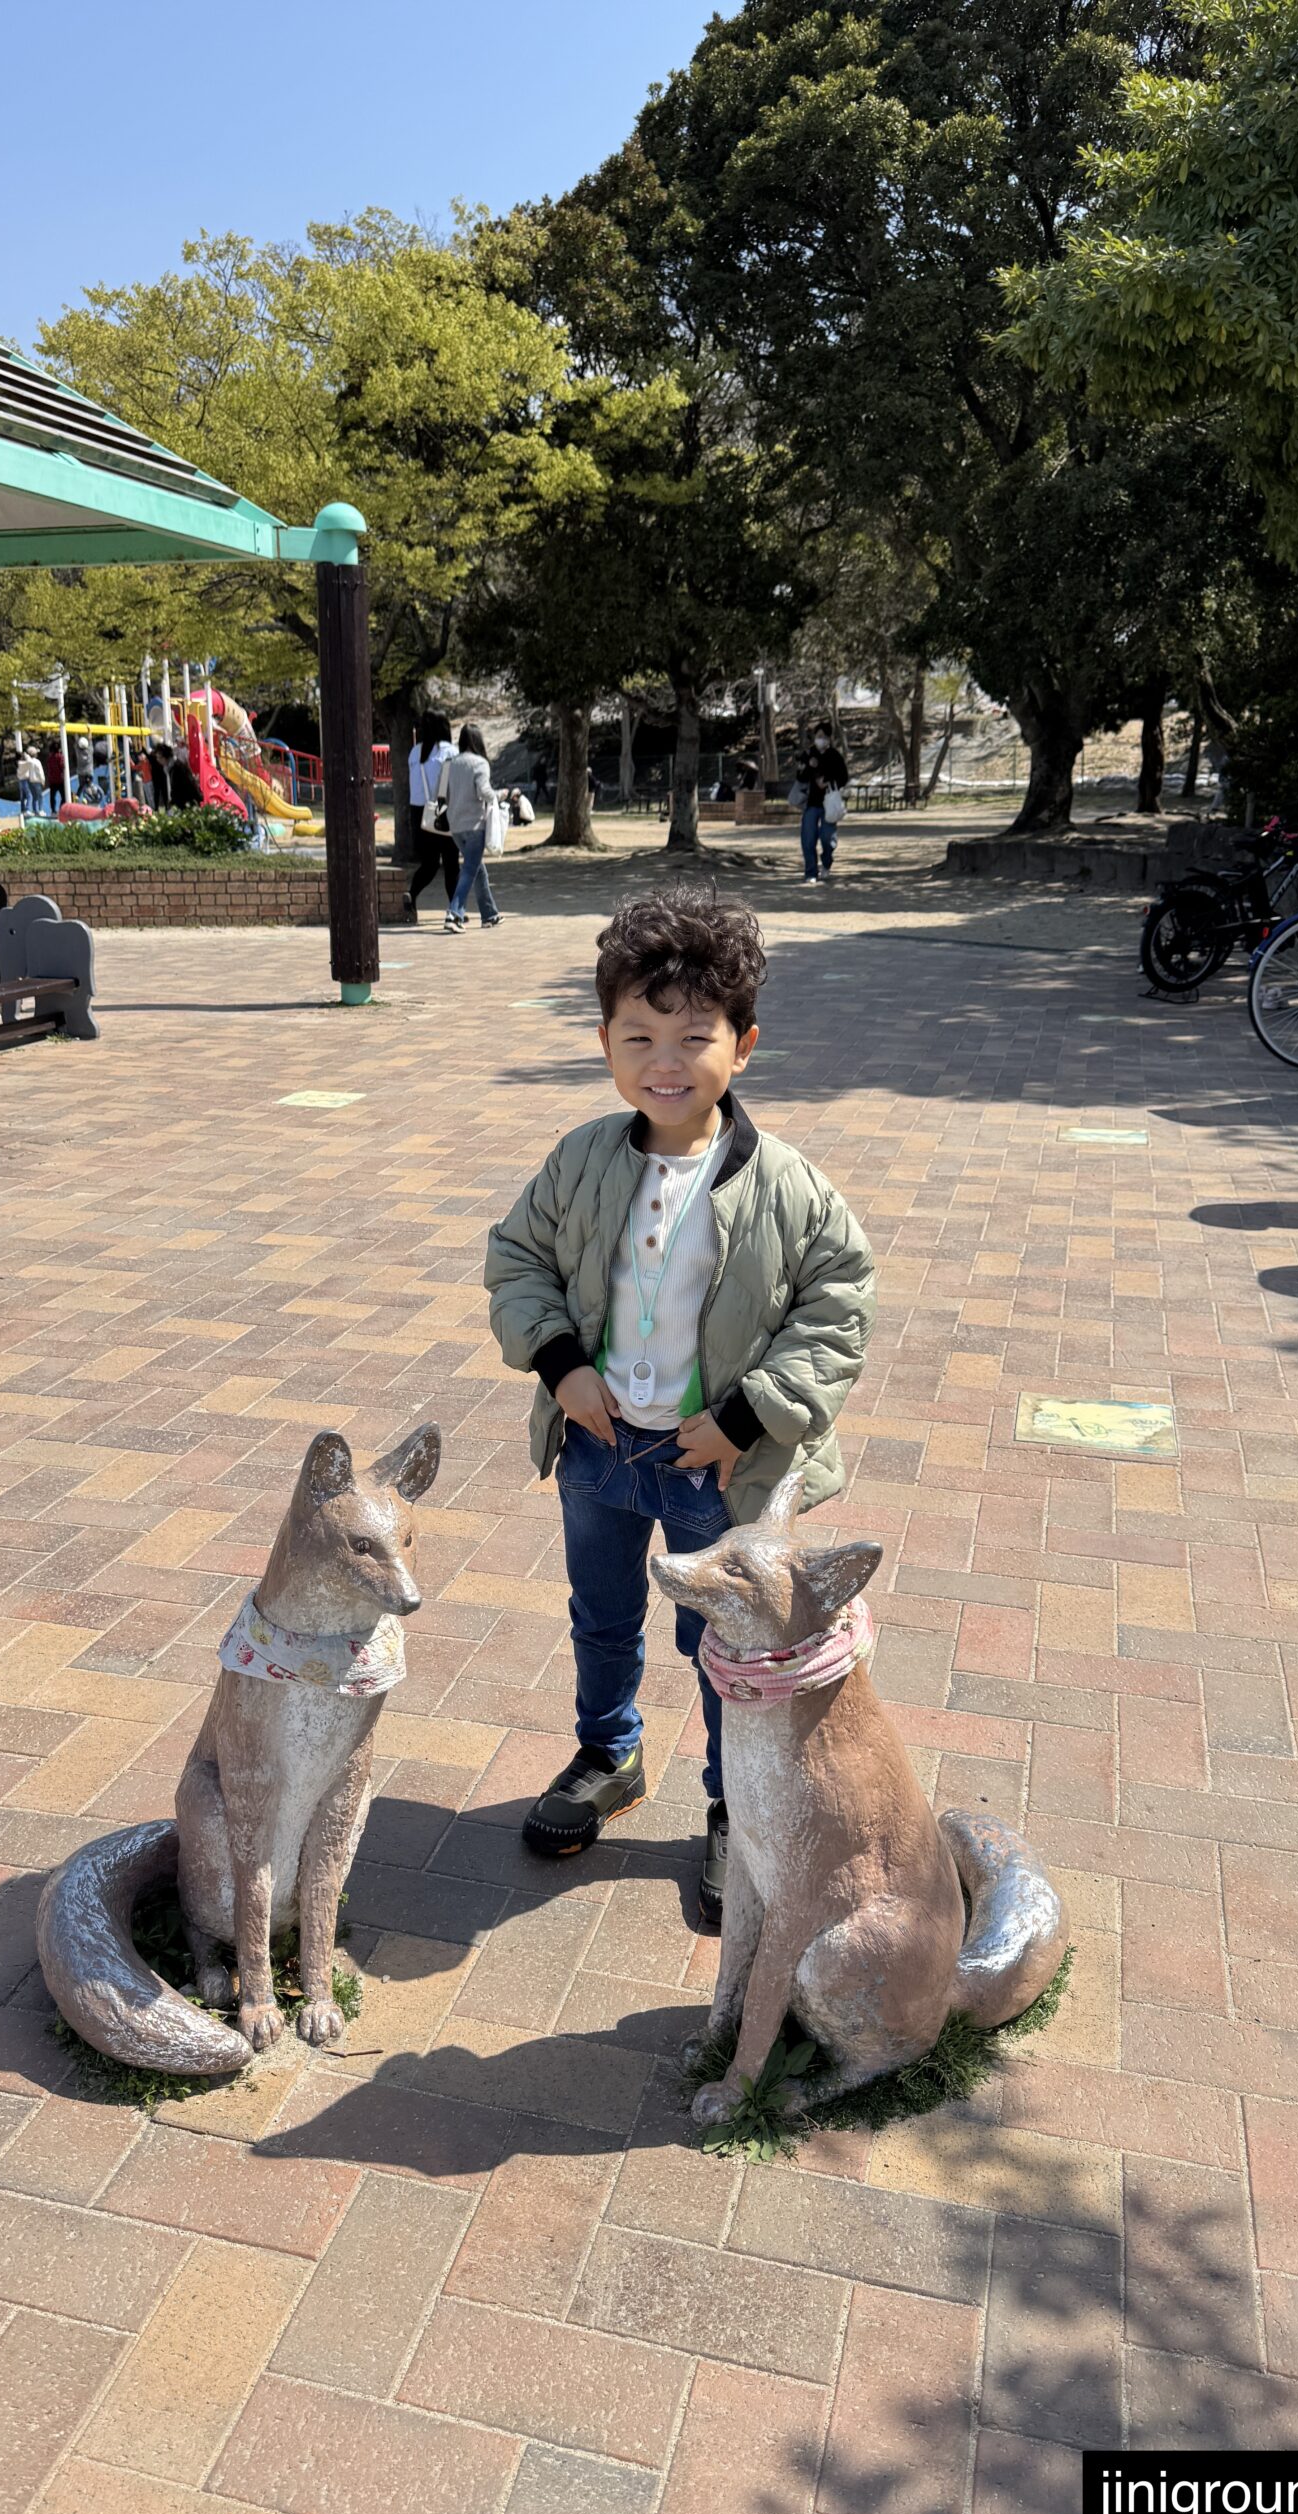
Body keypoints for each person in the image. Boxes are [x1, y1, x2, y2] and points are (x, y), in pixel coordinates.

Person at [484, 887, 875, 1927]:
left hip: (721, 1465)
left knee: (730, 1648)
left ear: (742, 1045)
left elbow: (838, 1307)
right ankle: (608, 1752)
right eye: (639, 1035)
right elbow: (516, 1258)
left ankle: (729, 1802)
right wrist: (561, 1364)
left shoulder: (788, 1186)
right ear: (605, 1041)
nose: (666, 1060)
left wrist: (747, 1418)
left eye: (694, 1037)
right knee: (601, 1615)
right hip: (600, 1448)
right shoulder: (581, 1160)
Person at [441, 722, 499, 934]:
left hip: (455, 825)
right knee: (468, 870)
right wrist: (499, 796)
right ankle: (454, 913)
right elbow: (484, 791)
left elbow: (443, 794)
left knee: (476, 867)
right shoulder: (479, 763)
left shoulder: (451, 763)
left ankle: (489, 914)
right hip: (475, 824)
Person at [404, 711, 459, 922]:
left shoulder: (414, 753)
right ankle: (455, 908)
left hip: (419, 814)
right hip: (442, 811)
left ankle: (412, 894)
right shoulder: (449, 752)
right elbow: (450, 785)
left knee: (429, 864)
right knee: (451, 863)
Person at [794, 722, 850, 881]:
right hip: (811, 803)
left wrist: (828, 781)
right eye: (818, 737)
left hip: (829, 804)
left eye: (824, 737)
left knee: (827, 838)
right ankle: (811, 872)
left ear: (829, 738)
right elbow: (800, 777)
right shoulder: (809, 754)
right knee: (808, 839)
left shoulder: (835, 756)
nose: (821, 740)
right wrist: (808, 767)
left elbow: (843, 777)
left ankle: (826, 862)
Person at [17, 745, 47, 819]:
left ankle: (34, 810)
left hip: (30, 781)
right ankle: (40, 810)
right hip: (37, 781)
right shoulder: (36, 762)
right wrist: (43, 781)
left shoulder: (27, 762)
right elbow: (40, 772)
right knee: (40, 796)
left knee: (34, 797)